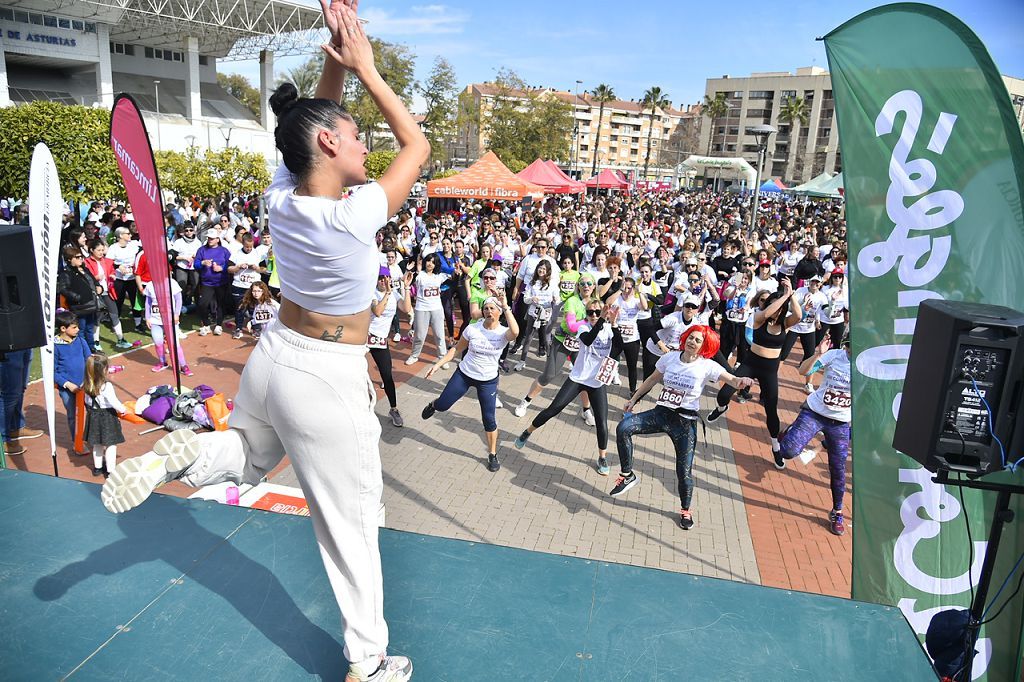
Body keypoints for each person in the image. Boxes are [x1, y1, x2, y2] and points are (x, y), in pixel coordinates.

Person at [101, 3, 428, 679]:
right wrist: (364, 67)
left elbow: (311, 130)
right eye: (356, 137)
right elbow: (417, 148)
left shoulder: (285, 196)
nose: (367, 145)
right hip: (327, 378)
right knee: (352, 525)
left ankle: (176, 457)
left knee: (249, 457)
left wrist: (334, 68)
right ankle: (368, 661)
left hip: (274, 358)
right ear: (332, 147)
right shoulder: (350, 215)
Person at [609, 325, 754, 530]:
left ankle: (685, 510)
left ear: (704, 346)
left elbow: (732, 379)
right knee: (624, 427)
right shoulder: (670, 358)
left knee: (683, 472)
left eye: (697, 340)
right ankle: (627, 475)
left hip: (684, 423)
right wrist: (633, 400)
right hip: (661, 413)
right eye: (690, 337)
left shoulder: (707, 366)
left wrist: (742, 381)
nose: (692, 342)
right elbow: (651, 379)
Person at [514, 301, 621, 475]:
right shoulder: (583, 328)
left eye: (597, 312)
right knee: (554, 409)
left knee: (602, 421)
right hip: (578, 379)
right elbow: (588, 340)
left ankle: (602, 457)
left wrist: (614, 324)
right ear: (586, 314)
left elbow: (618, 349)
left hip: (596, 382)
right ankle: (528, 431)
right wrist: (601, 320)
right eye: (590, 312)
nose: (593, 315)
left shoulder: (608, 329)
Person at [421, 296, 519, 471]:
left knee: (489, 419)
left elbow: (516, 332)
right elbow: (456, 349)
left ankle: (492, 454)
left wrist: (506, 307)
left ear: (499, 312)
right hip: (465, 374)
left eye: (492, 308)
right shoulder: (472, 329)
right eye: (486, 308)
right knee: (443, 406)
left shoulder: (503, 333)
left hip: (488, 381)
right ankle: (434, 405)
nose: (489, 311)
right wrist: (437, 365)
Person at [708, 278, 801, 458]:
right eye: (771, 305)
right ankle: (721, 408)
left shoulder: (785, 324)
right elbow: (767, 313)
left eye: (778, 306)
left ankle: (775, 447)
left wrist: (791, 296)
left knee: (771, 410)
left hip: (769, 371)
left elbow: (798, 316)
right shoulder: (759, 318)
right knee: (724, 394)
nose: (774, 309)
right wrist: (784, 297)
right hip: (751, 363)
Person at [775, 335, 852, 536]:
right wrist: (818, 353)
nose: (852, 351)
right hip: (815, 412)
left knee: (838, 468)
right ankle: (789, 432)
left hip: (841, 422)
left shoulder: (867, 366)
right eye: (850, 346)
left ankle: (837, 512)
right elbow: (803, 371)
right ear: (846, 346)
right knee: (788, 452)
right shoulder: (834, 356)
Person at [512, 274, 597, 424]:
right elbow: (572, 326)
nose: (586, 286)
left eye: (589, 283)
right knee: (548, 376)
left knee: (585, 377)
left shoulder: (596, 303)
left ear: (594, 286)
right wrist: (589, 320)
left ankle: (586, 410)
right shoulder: (572, 301)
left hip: (581, 345)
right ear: (578, 286)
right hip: (563, 341)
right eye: (582, 283)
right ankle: (525, 401)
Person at [369, 267, 413, 427]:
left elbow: (407, 309)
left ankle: (393, 409)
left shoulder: (394, 294)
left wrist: (407, 287)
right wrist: (387, 293)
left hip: (380, 341)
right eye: (380, 277)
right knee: (357, 373)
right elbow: (378, 311)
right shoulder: (372, 293)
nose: (383, 280)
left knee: (387, 376)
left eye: (385, 277)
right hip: (366, 337)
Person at [779, 274, 828, 393]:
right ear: (809, 282)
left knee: (810, 356)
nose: (814, 284)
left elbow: (824, 311)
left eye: (817, 283)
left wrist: (817, 320)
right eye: (812, 282)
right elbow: (791, 308)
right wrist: (802, 302)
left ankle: (808, 383)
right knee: (783, 353)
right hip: (794, 327)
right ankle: (773, 376)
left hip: (808, 329)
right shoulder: (801, 291)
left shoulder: (822, 296)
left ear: (820, 284)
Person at [83, 353, 128, 477]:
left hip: (93, 416)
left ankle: (97, 468)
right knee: (111, 444)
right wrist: (123, 410)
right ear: (103, 370)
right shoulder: (106, 386)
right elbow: (114, 402)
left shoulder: (86, 384)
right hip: (107, 417)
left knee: (97, 443)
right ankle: (110, 470)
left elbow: (86, 401)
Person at [84, 239, 134, 351]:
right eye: (99, 250)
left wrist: (112, 275)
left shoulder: (108, 261)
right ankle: (95, 341)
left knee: (114, 314)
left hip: (108, 292)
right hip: (95, 293)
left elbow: (112, 270)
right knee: (97, 317)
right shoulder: (86, 262)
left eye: (102, 250)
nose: (101, 252)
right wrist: (95, 278)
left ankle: (120, 339)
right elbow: (86, 278)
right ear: (92, 250)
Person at [53, 311, 90, 446]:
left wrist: (89, 379)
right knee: (73, 415)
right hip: (68, 389)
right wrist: (67, 385)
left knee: (92, 411)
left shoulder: (80, 340)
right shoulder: (54, 346)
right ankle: (78, 442)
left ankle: (92, 437)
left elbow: (89, 359)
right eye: (74, 327)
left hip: (85, 385)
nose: (78, 330)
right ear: (63, 328)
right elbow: (53, 372)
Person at [142, 277, 193, 376]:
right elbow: (148, 302)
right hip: (155, 320)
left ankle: (183, 366)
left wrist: (177, 314)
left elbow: (178, 299)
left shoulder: (172, 283)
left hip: (170, 320)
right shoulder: (150, 285)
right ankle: (162, 362)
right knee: (158, 342)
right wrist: (147, 317)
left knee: (175, 344)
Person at [405, 252, 449, 367]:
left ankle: (442, 357)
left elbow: (453, 274)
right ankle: (414, 356)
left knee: (439, 335)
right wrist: (407, 270)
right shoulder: (420, 275)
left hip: (437, 309)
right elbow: (406, 280)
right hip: (421, 309)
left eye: (433, 262)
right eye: (429, 261)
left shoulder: (439, 276)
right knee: (419, 336)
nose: (430, 264)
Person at [57, 245, 102, 354]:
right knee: (80, 330)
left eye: (81, 257)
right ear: (69, 259)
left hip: (91, 304)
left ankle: (91, 349)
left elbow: (93, 282)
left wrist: (99, 287)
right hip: (79, 307)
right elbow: (63, 289)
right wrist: (77, 297)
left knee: (89, 329)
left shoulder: (85, 269)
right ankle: (82, 350)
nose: (80, 259)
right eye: (77, 257)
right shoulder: (66, 273)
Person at [1, 348, 42, 456]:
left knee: (21, 388)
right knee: (10, 394)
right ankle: (3, 439)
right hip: (7, 345)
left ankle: (16, 427)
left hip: (25, 342)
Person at [228, 233, 269, 339]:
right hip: (239, 285)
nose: (249, 249)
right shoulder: (236, 254)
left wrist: (256, 268)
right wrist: (239, 267)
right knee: (240, 309)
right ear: (243, 243)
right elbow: (229, 269)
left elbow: (264, 269)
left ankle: (256, 329)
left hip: (254, 286)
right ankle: (238, 328)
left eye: (251, 246)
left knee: (255, 308)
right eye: (247, 247)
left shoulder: (257, 253)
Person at [194, 228, 232, 336]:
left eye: (212, 238)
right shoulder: (202, 250)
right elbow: (195, 264)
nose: (209, 240)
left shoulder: (224, 250)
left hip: (221, 282)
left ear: (217, 239)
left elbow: (230, 264)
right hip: (207, 283)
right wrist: (202, 262)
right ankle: (206, 324)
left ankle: (219, 325)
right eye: (208, 238)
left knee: (221, 304)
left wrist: (221, 268)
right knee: (202, 304)